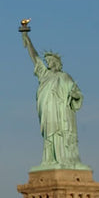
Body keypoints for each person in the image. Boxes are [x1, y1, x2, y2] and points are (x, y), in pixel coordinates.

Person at [21, 25, 84, 170]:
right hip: (48, 111)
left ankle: (65, 160)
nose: (48, 63)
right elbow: (35, 58)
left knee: (60, 134)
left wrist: (75, 96)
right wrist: (27, 39)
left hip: (61, 112)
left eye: (50, 61)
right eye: (47, 61)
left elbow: (77, 94)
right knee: (49, 136)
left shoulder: (65, 77)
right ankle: (50, 159)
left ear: (57, 62)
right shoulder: (45, 74)